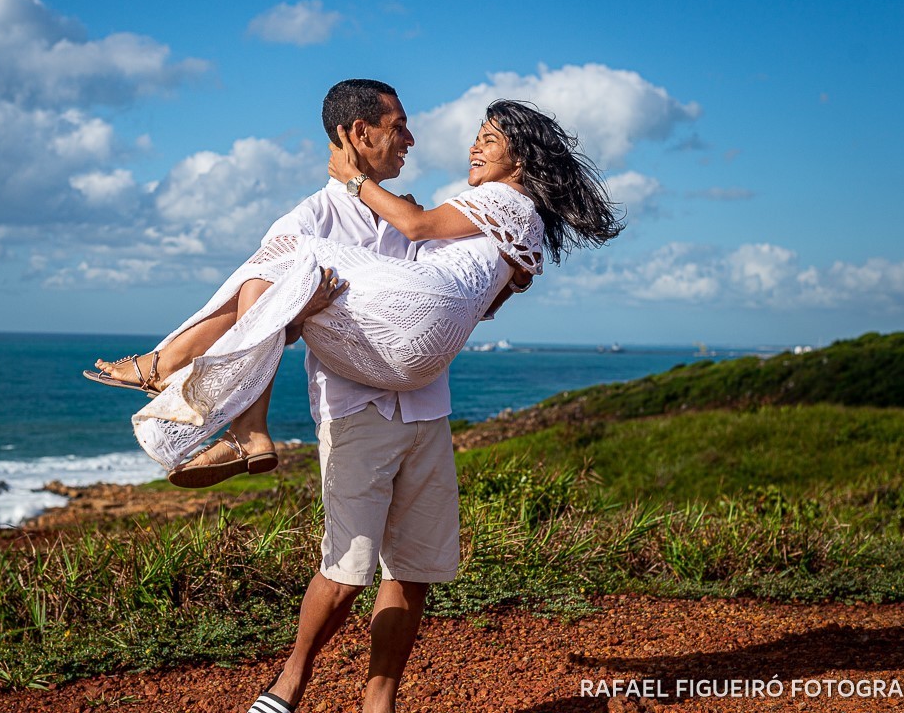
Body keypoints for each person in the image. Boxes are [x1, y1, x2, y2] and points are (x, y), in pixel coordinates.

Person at [88, 81, 621, 712]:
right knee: (345, 570)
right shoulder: (312, 215)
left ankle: (378, 702)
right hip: (356, 403)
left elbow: (456, 288)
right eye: (398, 126)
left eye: (487, 137)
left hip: (423, 397)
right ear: (356, 133)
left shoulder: (430, 208)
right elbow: (274, 311)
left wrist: (494, 276)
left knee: (413, 569)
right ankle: (289, 682)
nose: (413, 138)